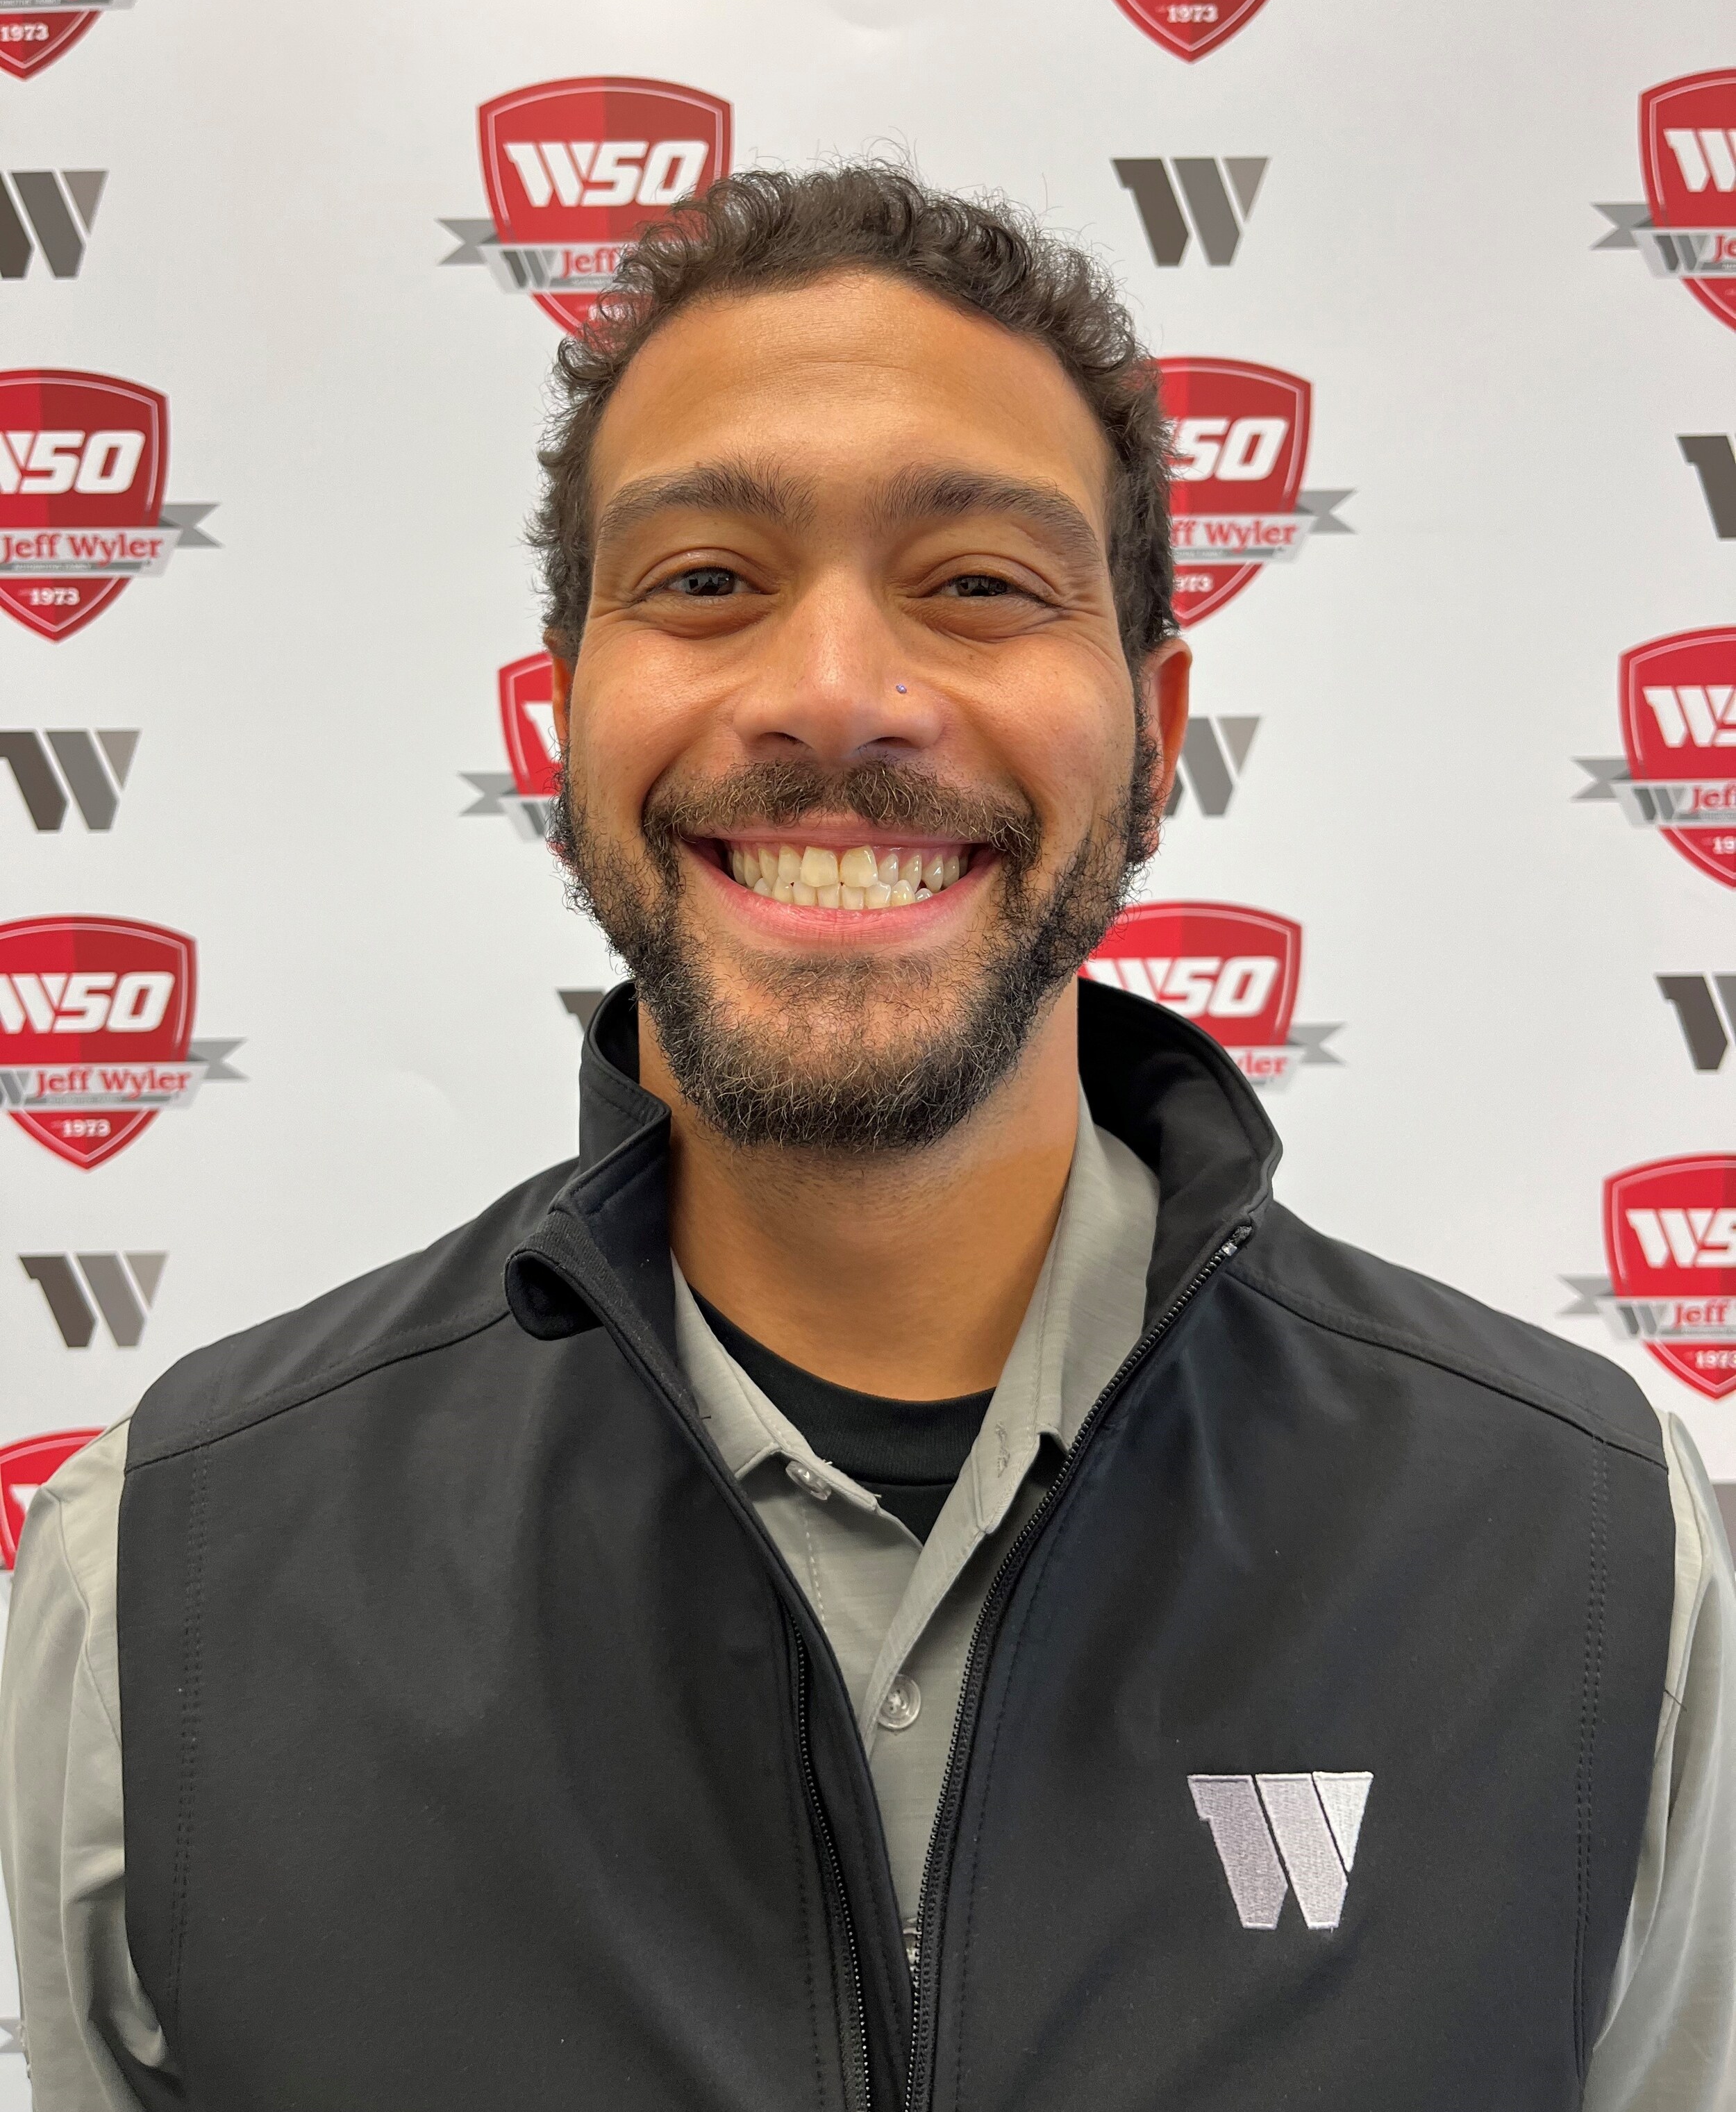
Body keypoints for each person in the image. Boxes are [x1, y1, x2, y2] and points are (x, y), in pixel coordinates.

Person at [1, 166, 1730, 2112]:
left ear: (1156, 733)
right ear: (558, 716)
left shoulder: (1588, 1560)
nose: (835, 696)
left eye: (978, 585)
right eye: (705, 582)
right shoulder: (166, 1584)